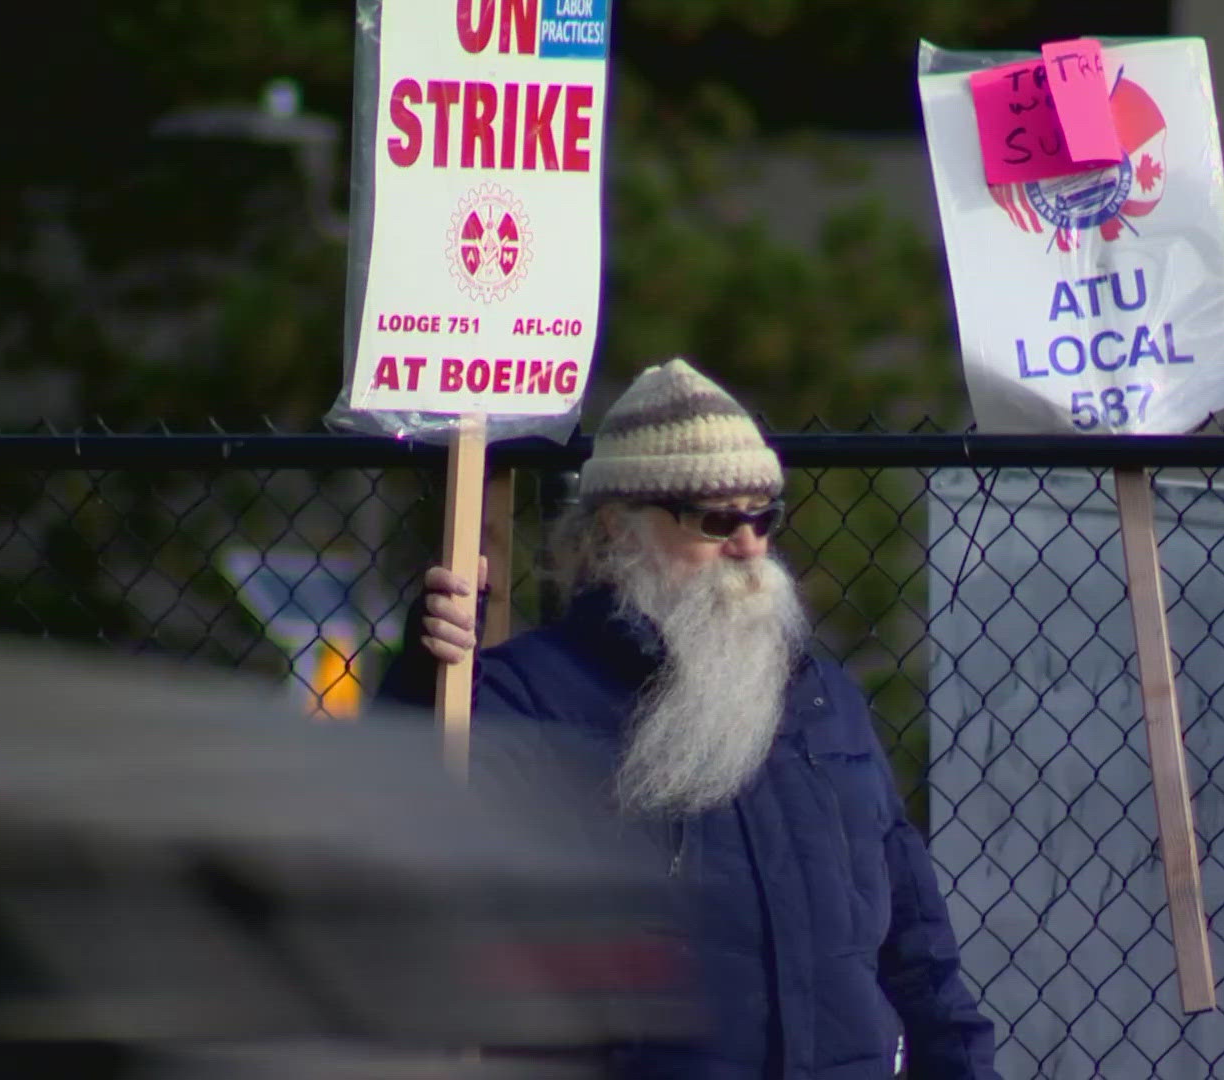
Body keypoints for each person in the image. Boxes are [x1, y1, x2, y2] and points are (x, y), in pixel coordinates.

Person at [376, 358, 1000, 1080]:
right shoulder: (534, 696)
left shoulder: (825, 699)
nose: (748, 546)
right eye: (715, 519)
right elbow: (398, 815)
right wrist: (427, 670)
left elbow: (918, 950)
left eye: (763, 516)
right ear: (616, 528)